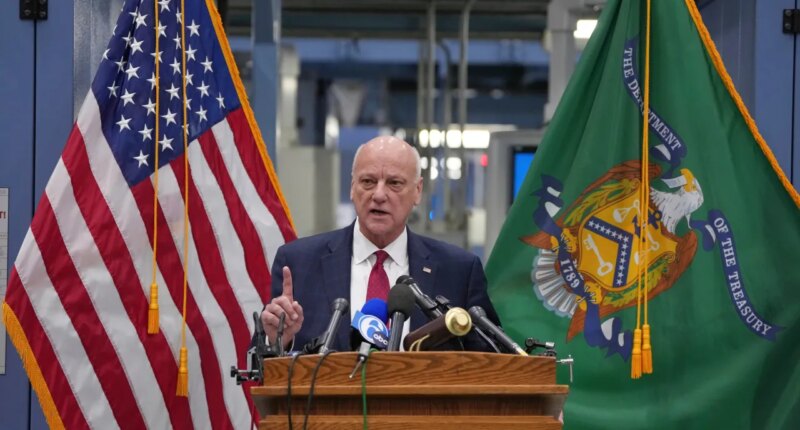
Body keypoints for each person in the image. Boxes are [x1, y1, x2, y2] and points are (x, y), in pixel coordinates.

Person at [260, 136, 500, 352]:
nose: (378, 195)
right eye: (368, 181)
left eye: (394, 183)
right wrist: (279, 341)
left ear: (417, 191)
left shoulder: (459, 270)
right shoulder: (298, 263)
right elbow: (260, 363)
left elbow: (491, 360)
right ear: (352, 187)